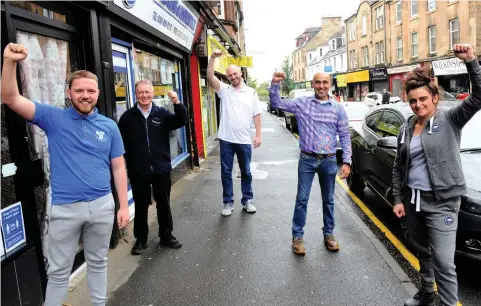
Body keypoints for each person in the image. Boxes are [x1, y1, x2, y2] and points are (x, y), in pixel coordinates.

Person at [1, 43, 130, 306]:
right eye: (79, 90)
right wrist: (9, 62)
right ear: (69, 93)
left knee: (98, 262)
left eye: (90, 90)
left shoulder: (109, 127)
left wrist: (123, 205)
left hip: (102, 206)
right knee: (59, 272)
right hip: (65, 209)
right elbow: (11, 98)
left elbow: (118, 166)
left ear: (98, 94)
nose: (86, 95)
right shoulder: (53, 118)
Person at [392, 43, 481, 306]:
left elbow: (478, 98)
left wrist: (471, 62)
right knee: (422, 251)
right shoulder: (407, 127)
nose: (418, 105)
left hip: (442, 202)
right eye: (412, 101)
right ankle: (426, 293)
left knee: (443, 260)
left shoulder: (450, 119)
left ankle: (447, 303)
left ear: (434, 98)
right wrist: (398, 198)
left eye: (422, 99)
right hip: (413, 200)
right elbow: (399, 166)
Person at [269, 72, 352, 255]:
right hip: (307, 159)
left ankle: (329, 234)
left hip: (329, 160)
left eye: (325, 82)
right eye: (318, 82)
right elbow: (276, 103)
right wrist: (275, 84)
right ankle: (297, 237)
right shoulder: (302, 104)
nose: (321, 86)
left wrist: (346, 161)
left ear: (329, 84)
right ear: (312, 84)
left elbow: (345, 136)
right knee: (302, 199)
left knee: (329, 200)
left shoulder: (338, 108)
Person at [118, 80, 186, 255]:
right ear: (136, 94)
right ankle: (141, 239)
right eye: (140, 92)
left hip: (161, 169)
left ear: (152, 94)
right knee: (140, 206)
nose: (144, 95)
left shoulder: (161, 113)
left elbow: (181, 120)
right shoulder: (127, 118)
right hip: (138, 171)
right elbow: (120, 144)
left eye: (147, 92)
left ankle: (166, 235)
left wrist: (177, 102)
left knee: (163, 203)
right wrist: (129, 162)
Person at [207, 49, 262, 217]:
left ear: (241, 74)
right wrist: (212, 58)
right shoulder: (224, 90)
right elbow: (210, 76)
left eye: (235, 73)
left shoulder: (251, 92)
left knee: (246, 171)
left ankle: (247, 200)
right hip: (226, 139)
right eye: (230, 75)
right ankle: (228, 202)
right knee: (226, 172)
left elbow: (256, 114)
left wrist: (258, 135)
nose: (233, 77)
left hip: (244, 140)